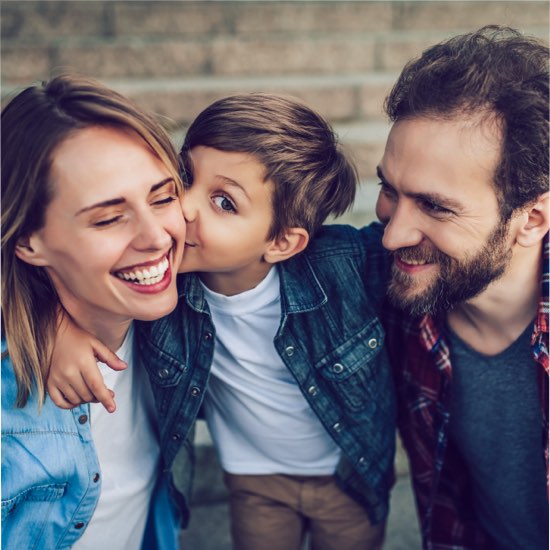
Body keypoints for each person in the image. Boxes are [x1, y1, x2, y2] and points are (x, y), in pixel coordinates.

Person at [48, 92, 396, 550]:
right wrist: (57, 326)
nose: (184, 207)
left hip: (349, 477)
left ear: (283, 243)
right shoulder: (159, 287)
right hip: (254, 481)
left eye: (224, 203)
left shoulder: (342, 266)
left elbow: (421, 249)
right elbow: (52, 257)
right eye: (186, 176)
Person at [376, 26, 549, 549]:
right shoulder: (388, 286)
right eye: (388, 189)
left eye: (435, 206)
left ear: (532, 217)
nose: (392, 234)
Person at [1, 74, 188, 549]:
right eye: (109, 217)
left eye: (163, 197)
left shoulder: (187, 322)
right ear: (28, 240)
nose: (157, 237)